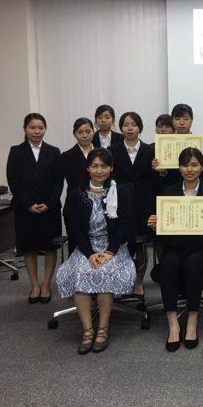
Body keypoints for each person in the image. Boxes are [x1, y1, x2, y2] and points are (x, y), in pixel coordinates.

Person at [56, 148, 136, 354]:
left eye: (104, 166)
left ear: (111, 168)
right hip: (86, 248)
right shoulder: (77, 195)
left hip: (114, 248)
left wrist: (109, 252)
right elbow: (75, 229)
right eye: (95, 166)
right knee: (81, 271)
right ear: (88, 168)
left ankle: (103, 329)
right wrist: (90, 254)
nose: (99, 171)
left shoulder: (119, 192)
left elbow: (124, 225)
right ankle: (87, 331)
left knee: (104, 271)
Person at [147, 148, 203, 352]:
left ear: (201, 166)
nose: (189, 169)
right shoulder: (168, 192)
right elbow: (161, 234)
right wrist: (155, 225)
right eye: (184, 165)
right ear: (179, 167)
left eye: (194, 165)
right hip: (176, 246)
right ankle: (173, 323)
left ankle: (192, 320)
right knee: (169, 262)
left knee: (193, 263)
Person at [6, 113, 63, 304]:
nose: (36, 131)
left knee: (50, 247)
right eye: (32, 127)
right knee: (28, 247)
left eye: (40, 127)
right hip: (25, 208)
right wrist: (28, 204)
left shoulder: (54, 151)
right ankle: (34, 285)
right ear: (25, 129)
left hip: (49, 208)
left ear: (45, 129)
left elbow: (58, 181)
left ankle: (46, 285)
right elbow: (13, 180)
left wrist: (49, 203)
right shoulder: (16, 151)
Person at [108, 111, 159, 298]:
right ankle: (123, 279)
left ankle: (139, 282)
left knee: (141, 245)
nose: (130, 128)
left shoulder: (150, 150)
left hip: (145, 204)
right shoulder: (112, 150)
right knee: (123, 244)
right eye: (126, 125)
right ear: (121, 128)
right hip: (121, 205)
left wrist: (159, 171)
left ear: (140, 128)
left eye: (134, 125)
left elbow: (155, 181)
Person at [169, 103, 203, 182]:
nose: (182, 122)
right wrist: (162, 172)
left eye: (186, 119)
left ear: (192, 120)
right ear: (172, 120)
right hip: (171, 187)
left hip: (194, 187)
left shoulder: (201, 144)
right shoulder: (165, 144)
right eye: (177, 119)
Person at [60, 117, 95, 195]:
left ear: (93, 132)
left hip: (100, 197)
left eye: (88, 131)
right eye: (80, 132)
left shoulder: (101, 153)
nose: (85, 135)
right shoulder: (67, 156)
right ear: (74, 134)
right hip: (75, 198)